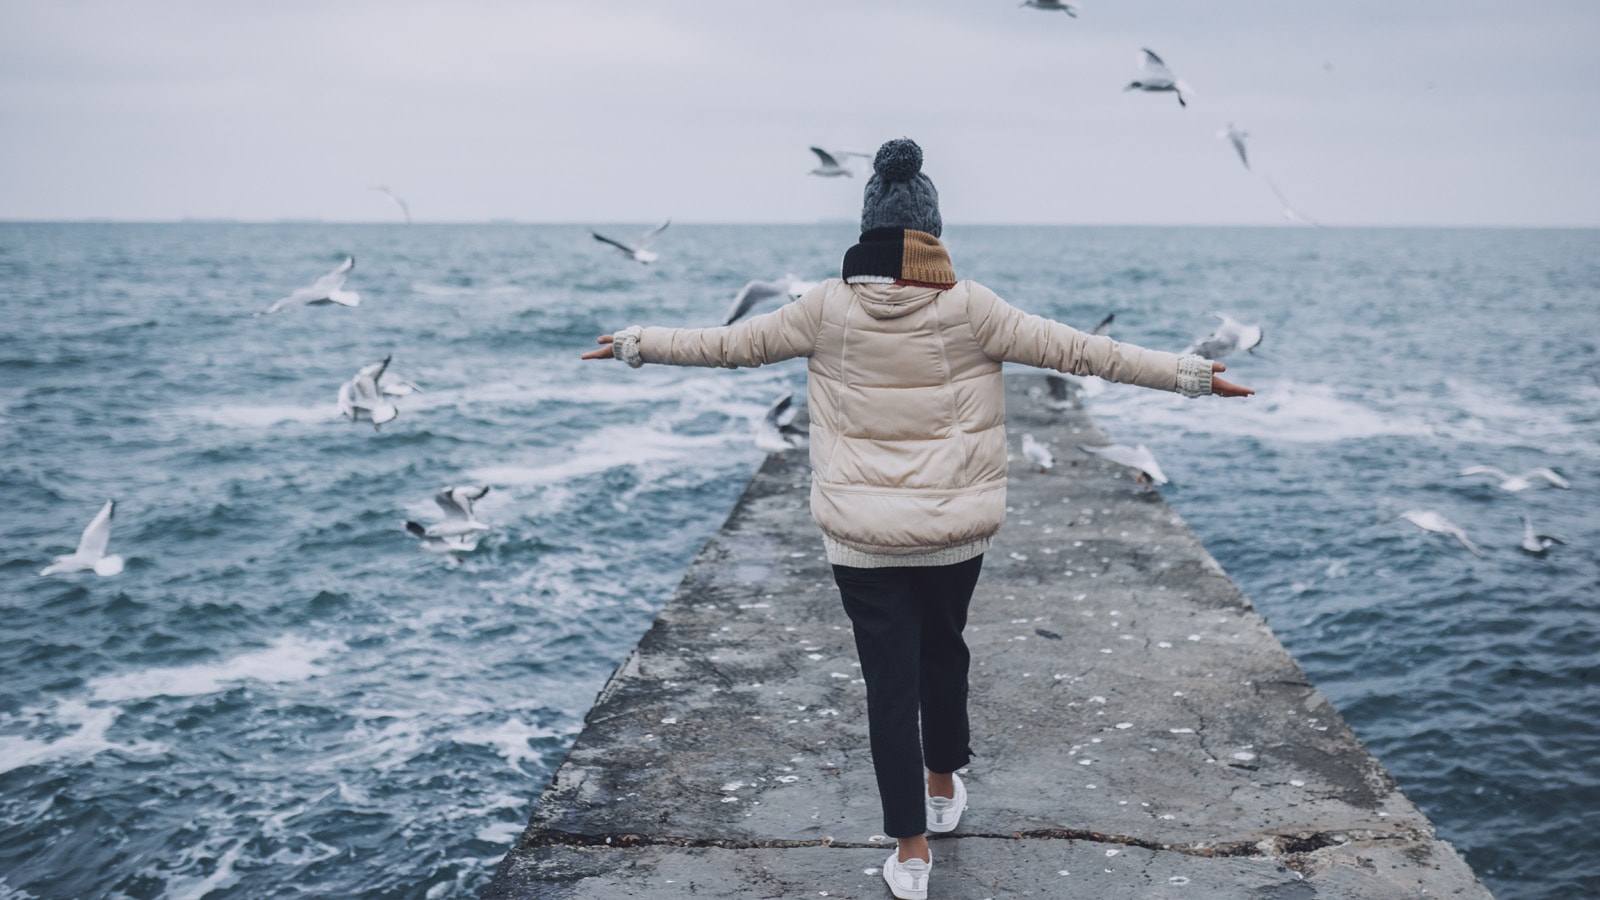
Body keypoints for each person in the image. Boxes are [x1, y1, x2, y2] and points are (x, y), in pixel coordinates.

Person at [583, 138, 1253, 900]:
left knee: (888, 685)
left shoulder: (824, 309)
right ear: (931, 235)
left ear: (867, 236)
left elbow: (730, 346)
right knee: (943, 650)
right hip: (952, 534)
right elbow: (1085, 353)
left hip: (859, 538)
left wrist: (638, 343)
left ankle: (911, 853)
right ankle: (943, 787)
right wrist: (1194, 375)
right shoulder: (974, 308)